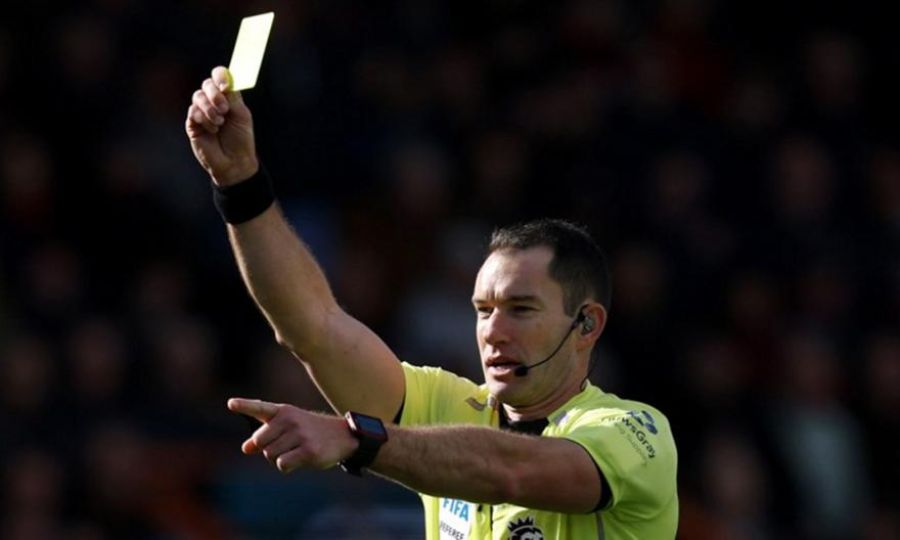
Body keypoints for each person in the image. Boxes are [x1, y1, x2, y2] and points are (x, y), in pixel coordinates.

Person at [186, 66, 678, 539]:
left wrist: (357, 439)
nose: (493, 330)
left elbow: (511, 472)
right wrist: (240, 183)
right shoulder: (447, 408)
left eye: (521, 309)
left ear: (586, 325)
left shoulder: (635, 433)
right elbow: (313, 327)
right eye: (483, 310)